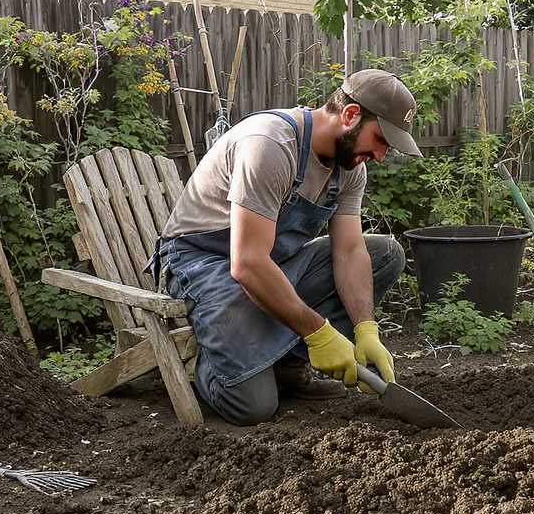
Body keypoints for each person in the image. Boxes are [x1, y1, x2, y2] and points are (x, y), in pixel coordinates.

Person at [155, 69, 420, 426]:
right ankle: (215, 359)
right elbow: (246, 263)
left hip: (270, 262)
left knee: (384, 255)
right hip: (202, 262)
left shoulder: (350, 168)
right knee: (252, 408)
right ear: (350, 115)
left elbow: (349, 252)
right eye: (380, 139)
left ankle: (285, 363)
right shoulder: (270, 145)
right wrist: (318, 331)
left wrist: (365, 329)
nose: (381, 154)